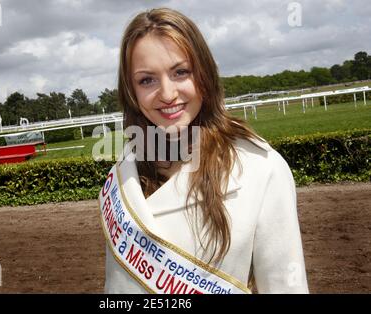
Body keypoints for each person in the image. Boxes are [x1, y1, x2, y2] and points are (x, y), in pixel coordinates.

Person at [98, 7, 309, 294]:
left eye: (180, 72)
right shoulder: (122, 175)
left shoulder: (261, 168)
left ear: (204, 74)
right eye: (147, 79)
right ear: (131, 91)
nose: (167, 93)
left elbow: (286, 286)